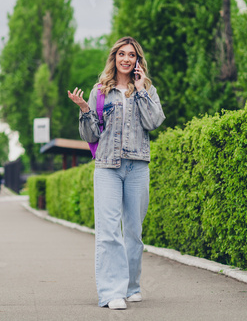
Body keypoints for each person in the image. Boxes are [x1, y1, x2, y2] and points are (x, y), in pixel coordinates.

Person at [68, 36, 165, 310]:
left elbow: (154, 121)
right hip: (107, 168)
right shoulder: (99, 91)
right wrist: (85, 110)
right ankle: (112, 292)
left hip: (137, 166)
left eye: (131, 55)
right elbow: (92, 134)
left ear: (138, 60)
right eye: (121, 54)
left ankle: (132, 286)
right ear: (114, 58)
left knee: (134, 232)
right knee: (109, 231)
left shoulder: (147, 89)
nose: (126, 58)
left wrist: (140, 88)